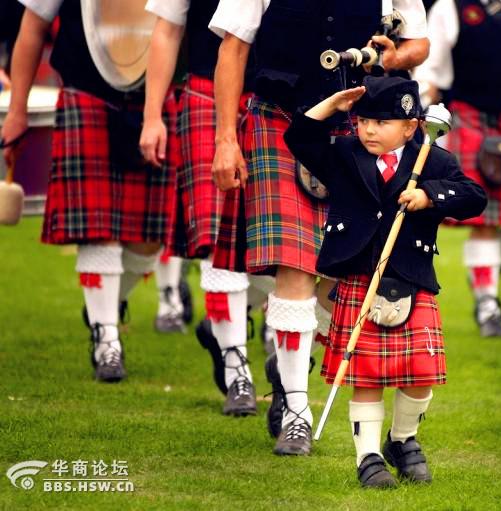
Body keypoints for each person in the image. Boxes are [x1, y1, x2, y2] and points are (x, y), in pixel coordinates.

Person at [209, 0, 430, 455]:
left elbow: (419, 44)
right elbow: (232, 48)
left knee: (344, 275)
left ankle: (288, 359)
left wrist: (386, 59)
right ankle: (296, 411)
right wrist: (226, 140)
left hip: (357, 122)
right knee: (295, 266)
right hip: (280, 120)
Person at [284, 76, 487, 487]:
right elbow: (300, 137)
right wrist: (333, 103)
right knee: (365, 377)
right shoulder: (342, 154)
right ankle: (369, 458)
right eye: (363, 121)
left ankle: (403, 439)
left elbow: (474, 197)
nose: (369, 129)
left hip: (411, 279)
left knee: (421, 375)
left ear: (411, 125)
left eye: (381, 122)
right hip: (360, 276)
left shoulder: (432, 159)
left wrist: (431, 196)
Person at [2, 0, 177, 382]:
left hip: (157, 97)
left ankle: (106, 306)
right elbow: (32, 27)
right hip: (86, 93)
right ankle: (106, 340)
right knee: (98, 230)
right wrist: (17, 111)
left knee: (151, 241)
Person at [141, 0, 276, 416]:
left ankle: (237, 326)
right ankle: (237, 367)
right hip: (205, 94)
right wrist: (152, 117)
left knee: (278, 242)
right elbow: (165, 31)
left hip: (278, 102)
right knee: (219, 241)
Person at [415, 0, 501, 338]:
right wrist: (423, 120)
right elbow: (433, 71)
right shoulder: (449, 8)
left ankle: (490, 271)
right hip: (471, 118)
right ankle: (488, 304)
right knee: (485, 222)